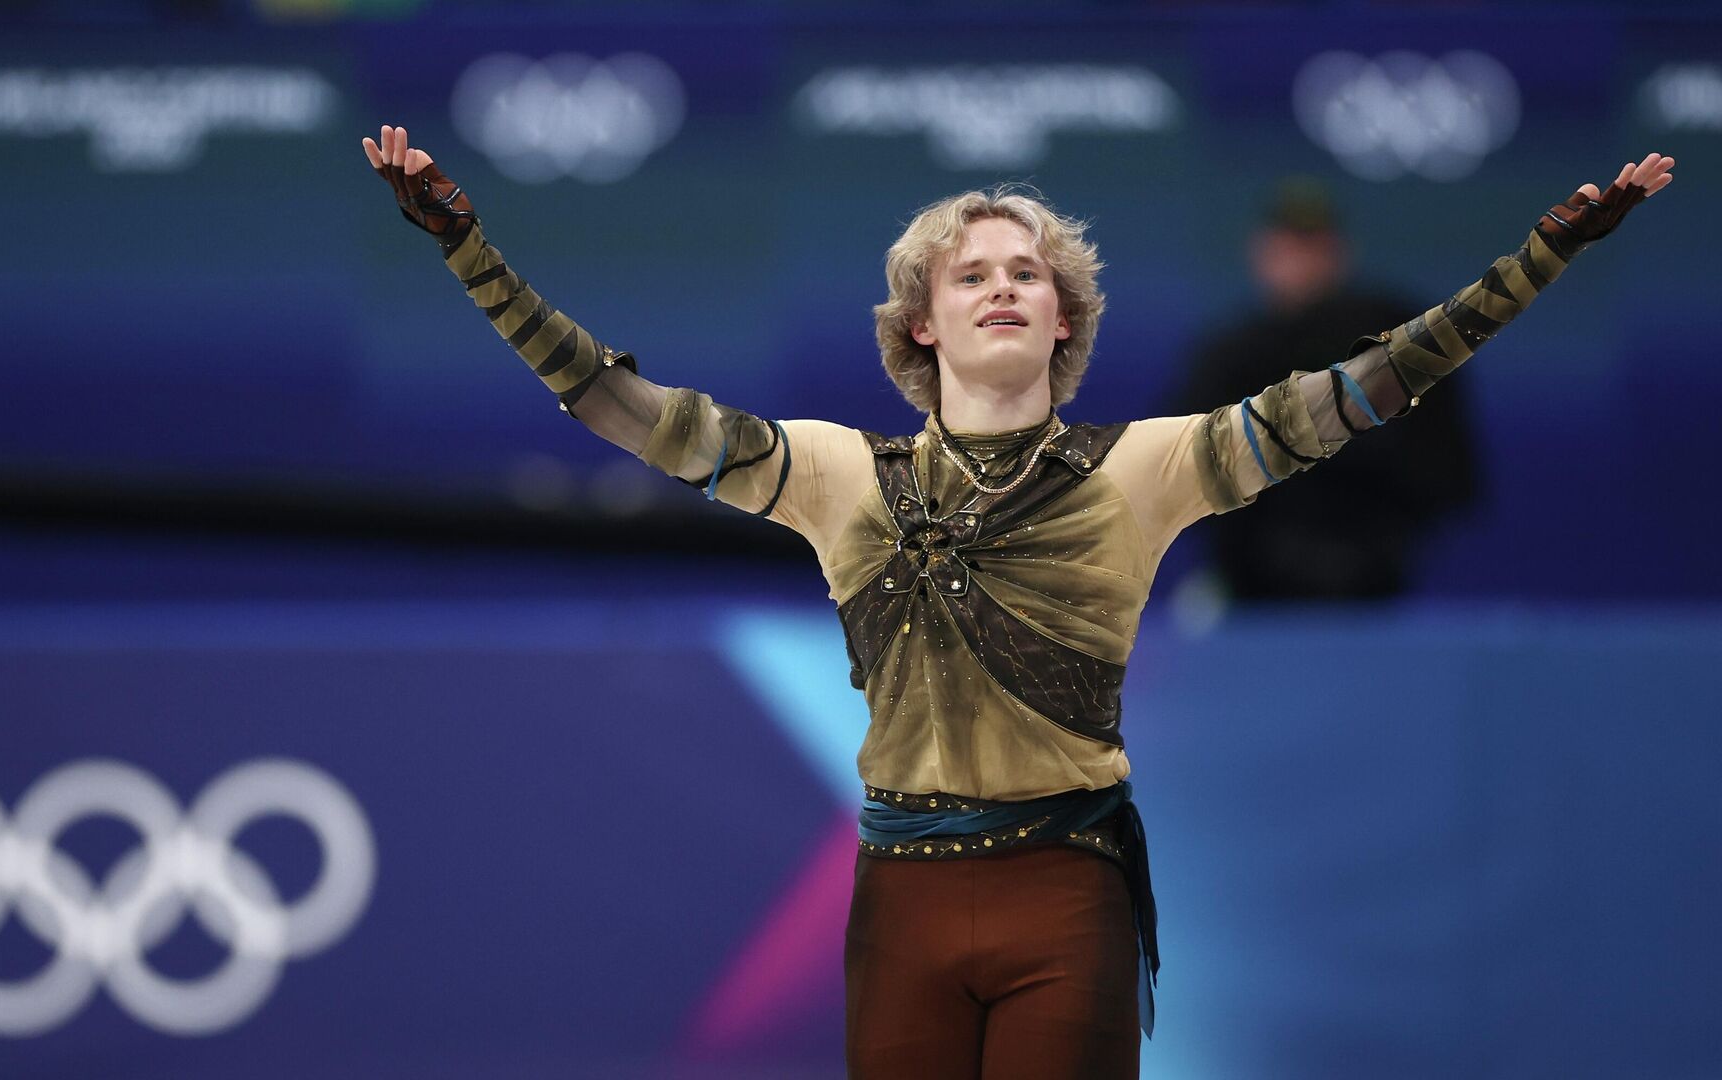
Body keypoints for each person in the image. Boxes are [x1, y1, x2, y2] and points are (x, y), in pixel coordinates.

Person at [361, 125, 1673, 1079]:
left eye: (1029, 273)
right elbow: (618, 406)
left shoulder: (1142, 470)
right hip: (901, 898)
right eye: (972, 272)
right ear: (921, 325)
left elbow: (1359, 393)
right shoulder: (836, 474)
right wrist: (470, 252)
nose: (1003, 283)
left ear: (1064, 323)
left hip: (1066, 892)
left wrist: (1539, 258)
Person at [1167, 178, 1483, 602]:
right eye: (1288, 247)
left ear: (1339, 252)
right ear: (1261, 253)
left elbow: (1446, 471)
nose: (1300, 262)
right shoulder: (1229, 357)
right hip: (1252, 590)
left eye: (1312, 246)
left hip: (1374, 584)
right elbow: (1185, 476)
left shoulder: (1393, 344)